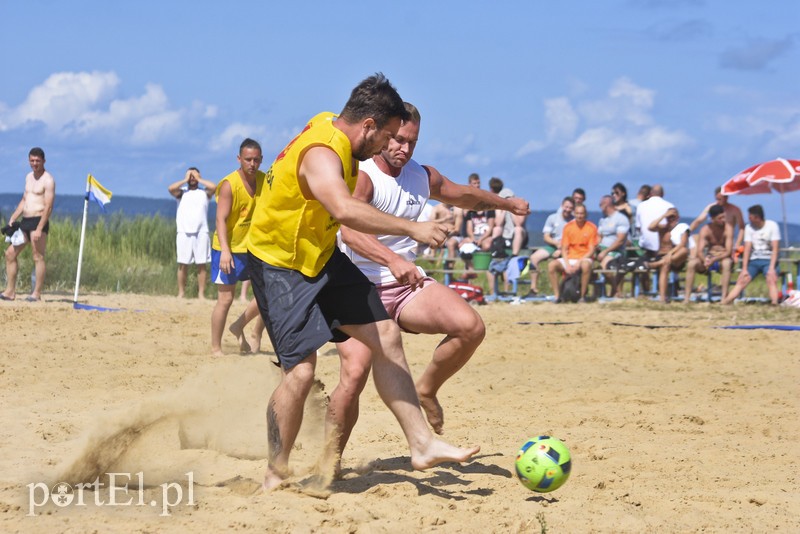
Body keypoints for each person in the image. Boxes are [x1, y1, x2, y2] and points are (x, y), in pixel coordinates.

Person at [244, 74, 479, 490]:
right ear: (368, 125)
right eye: (387, 135)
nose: (389, 146)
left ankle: (421, 442)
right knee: (300, 374)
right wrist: (413, 228)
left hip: (320, 256)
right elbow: (343, 209)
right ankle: (274, 473)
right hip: (279, 265)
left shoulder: (332, 124)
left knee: (385, 334)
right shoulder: (321, 154)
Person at [336, 102, 527, 462]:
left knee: (470, 327)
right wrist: (392, 259)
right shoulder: (363, 175)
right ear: (381, 133)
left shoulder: (420, 176)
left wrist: (506, 204)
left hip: (402, 284)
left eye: (412, 142)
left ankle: (426, 388)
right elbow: (348, 230)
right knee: (355, 374)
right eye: (397, 140)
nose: (404, 149)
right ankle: (329, 462)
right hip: (354, 287)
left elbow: (464, 195)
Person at [210, 138, 265, 356]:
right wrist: (225, 250)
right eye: (248, 159)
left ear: (261, 160)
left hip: (253, 248)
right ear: (239, 159)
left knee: (268, 294)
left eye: (256, 160)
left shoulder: (264, 180)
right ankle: (215, 348)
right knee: (225, 299)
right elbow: (220, 220)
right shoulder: (229, 184)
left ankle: (241, 326)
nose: (252, 164)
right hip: (228, 248)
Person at [1, 147, 55, 302]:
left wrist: (39, 228)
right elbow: (24, 199)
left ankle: (36, 294)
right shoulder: (28, 177)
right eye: (32, 160)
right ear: (28, 160)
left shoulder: (48, 180)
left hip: (39, 221)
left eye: (38, 160)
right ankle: (10, 291)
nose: (35, 163)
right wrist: (13, 216)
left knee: (38, 256)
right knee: (10, 254)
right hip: (25, 221)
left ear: (44, 161)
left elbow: (49, 207)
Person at [167, 167, 216, 299]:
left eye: (194, 176)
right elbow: (170, 188)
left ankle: (201, 294)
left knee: (202, 264)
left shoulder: (204, 193)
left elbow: (214, 187)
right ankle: (181, 292)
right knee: (182, 263)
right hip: (184, 231)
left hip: (201, 231)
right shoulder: (182, 193)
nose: (192, 178)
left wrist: (199, 178)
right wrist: (185, 178)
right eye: (191, 176)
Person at [722, 205, 781, 305]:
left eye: (750, 217)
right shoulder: (749, 228)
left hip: (768, 260)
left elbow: (775, 248)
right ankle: (726, 301)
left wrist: (771, 268)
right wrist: (744, 269)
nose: (748, 219)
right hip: (754, 260)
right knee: (743, 280)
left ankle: (774, 302)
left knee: (770, 278)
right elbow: (747, 249)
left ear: (757, 217)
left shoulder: (772, 226)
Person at [548, 203, 598, 302]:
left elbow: (591, 250)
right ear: (574, 214)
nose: (579, 216)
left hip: (584, 257)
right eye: (577, 213)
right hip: (570, 258)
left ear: (585, 214)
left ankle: (582, 296)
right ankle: (557, 296)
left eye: (582, 213)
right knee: (552, 265)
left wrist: (579, 262)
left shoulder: (591, 227)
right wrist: (567, 264)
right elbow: (564, 248)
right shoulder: (568, 227)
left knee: (585, 265)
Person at [684, 204, 733, 303]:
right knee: (691, 264)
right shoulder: (705, 230)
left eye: (724, 217)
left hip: (721, 259)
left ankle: (724, 298)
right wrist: (705, 260)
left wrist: (715, 259)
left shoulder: (728, 229)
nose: (723, 220)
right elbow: (700, 251)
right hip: (709, 258)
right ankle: (687, 298)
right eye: (720, 218)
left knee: (727, 263)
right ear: (712, 218)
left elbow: (728, 251)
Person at [527, 197, 574, 296]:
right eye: (566, 207)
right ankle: (533, 288)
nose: (568, 209)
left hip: (568, 248)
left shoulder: (573, 221)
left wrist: (561, 249)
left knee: (558, 263)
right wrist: (556, 244)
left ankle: (562, 289)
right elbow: (546, 236)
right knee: (533, 258)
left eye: (570, 207)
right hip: (553, 245)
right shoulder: (552, 218)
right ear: (562, 206)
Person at [646, 207, 690, 303]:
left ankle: (658, 264)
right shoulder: (663, 228)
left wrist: (670, 253)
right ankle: (662, 298)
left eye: (673, 217)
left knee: (684, 250)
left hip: (676, 258)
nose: (671, 220)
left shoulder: (682, 228)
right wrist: (663, 216)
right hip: (662, 256)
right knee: (665, 265)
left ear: (677, 218)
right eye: (669, 217)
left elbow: (683, 243)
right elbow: (650, 227)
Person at [690, 186, 746, 251]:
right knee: (695, 238)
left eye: (720, 199)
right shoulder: (711, 207)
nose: (717, 201)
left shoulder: (735, 210)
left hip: (726, 240)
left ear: (726, 198)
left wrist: (737, 244)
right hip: (712, 240)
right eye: (716, 199)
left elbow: (742, 228)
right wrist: (687, 233)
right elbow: (698, 221)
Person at [595, 195, 630, 297]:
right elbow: (599, 236)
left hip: (616, 251)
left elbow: (620, 240)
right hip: (602, 249)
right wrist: (596, 247)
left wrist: (605, 252)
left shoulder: (621, 219)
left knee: (604, 267)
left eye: (600, 204)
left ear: (606, 204)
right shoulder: (603, 220)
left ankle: (615, 290)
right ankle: (602, 292)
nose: (599, 206)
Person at [489, 177, 528, 256]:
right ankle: (495, 252)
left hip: (519, 235)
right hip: (505, 235)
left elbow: (518, 223)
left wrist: (511, 208)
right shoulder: (499, 207)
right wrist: (504, 208)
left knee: (518, 229)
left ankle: (514, 254)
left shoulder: (521, 204)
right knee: (497, 229)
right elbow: (498, 223)